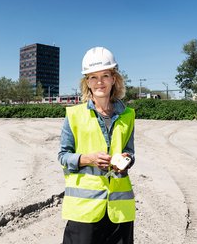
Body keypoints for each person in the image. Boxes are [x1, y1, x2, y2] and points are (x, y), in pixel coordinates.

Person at [58, 46, 136, 244]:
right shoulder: (74, 115)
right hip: (84, 211)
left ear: (114, 79)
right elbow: (63, 156)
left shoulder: (128, 115)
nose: (99, 82)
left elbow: (129, 152)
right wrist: (88, 159)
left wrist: (125, 160)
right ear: (87, 82)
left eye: (105, 75)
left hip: (119, 209)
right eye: (93, 77)